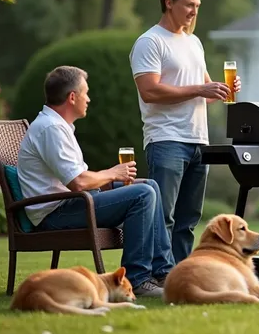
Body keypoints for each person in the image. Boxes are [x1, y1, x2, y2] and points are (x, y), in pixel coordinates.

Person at [17, 66, 174, 297]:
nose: (89, 99)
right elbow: (78, 182)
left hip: (72, 203)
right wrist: (113, 173)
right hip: (56, 213)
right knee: (142, 194)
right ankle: (138, 279)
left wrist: (110, 178)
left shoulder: (59, 127)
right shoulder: (50, 129)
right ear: (72, 97)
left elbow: (79, 179)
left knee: (150, 186)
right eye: (86, 92)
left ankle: (162, 272)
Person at [130, 0, 240, 264]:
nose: (194, 11)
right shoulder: (149, 42)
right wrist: (200, 88)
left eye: (197, 6)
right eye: (189, 4)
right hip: (166, 139)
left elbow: (201, 89)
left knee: (188, 218)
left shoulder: (193, 43)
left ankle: (181, 271)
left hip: (197, 140)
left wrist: (219, 89)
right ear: (169, 2)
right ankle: (160, 273)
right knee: (162, 215)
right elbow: (150, 91)